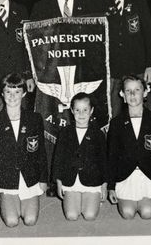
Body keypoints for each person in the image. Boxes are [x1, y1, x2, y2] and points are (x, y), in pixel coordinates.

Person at [30, 0, 94, 197]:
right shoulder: (40, 7)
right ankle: (52, 178)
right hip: (52, 76)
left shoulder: (89, 5)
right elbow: (34, 47)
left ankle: (83, 174)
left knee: (80, 123)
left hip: (81, 75)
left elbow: (97, 46)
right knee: (51, 124)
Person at [92, 0, 151, 117]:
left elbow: (148, 32)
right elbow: (94, 38)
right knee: (112, 111)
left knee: (138, 109)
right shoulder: (97, 0)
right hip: (110, 68)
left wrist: (150, 64)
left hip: (136, 65)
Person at [0, 73, 47, 227]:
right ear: (1, 93)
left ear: (24, 93)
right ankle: (9, 199)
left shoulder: (34, 119)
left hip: (29, 176)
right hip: (6, 178)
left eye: (17, 92)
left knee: (30, 220)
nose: (12, 97)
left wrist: (43, 179)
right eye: (8, 92)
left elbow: (41, 152)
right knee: (11, 221)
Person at [107, 75, 151, 220]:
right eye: (128, 91)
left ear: (145, 92)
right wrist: (111, 186)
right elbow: (112, 156)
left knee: (147, 212)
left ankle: (148, 198)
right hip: (125, 176)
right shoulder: (116, 123)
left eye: (137, 90)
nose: (133, 94)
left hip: (149, 175)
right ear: (122, 94)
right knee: (128, 213)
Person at [52, 93, 107, 221]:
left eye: (85, 110)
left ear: (91, 111)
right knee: (71, 215)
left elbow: (103, 160)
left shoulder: (98, 134)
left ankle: (93, 199)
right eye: (77, 110)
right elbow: (58, 158)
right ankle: (76, 199)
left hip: (92, 180)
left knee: (89, 215)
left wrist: (104, 185)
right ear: (71, 111)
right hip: (71, 180)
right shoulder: (65, 132)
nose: (81, 114)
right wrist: (59, 182)